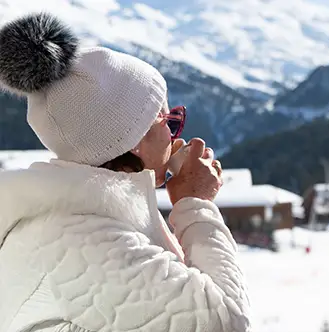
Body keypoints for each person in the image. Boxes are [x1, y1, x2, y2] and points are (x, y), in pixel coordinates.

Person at [0, 13, 251, 332]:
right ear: (133, 139)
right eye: (169, 121)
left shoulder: (86, 215)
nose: (176, 134)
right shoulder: (83, 238)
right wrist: (195, 202)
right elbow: (223, 320)